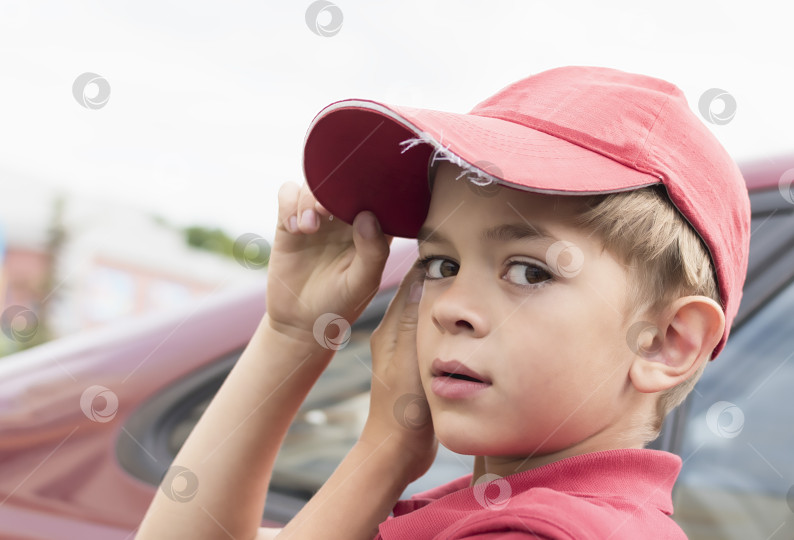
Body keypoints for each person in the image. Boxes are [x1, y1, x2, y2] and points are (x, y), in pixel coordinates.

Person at [136, 66, 751, 539]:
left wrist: (380, 455)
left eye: (530, 272)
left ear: (668, 342)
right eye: (440, 264)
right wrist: (294, 330)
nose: (450, 306)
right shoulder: (492, 507)